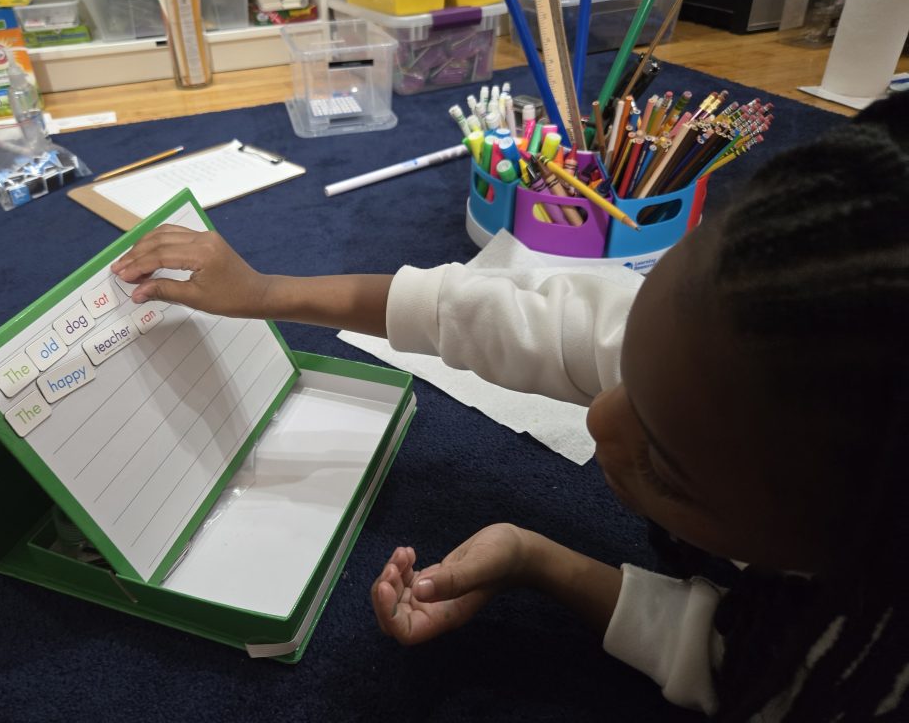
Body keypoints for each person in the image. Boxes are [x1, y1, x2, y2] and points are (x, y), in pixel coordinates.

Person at [111, 91, 908, 721]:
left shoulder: (844, 672)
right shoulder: (738, 345)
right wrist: (267, 292)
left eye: (665, 467)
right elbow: (498, 316)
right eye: (626, 368)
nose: (598, 419)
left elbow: (735, 661)